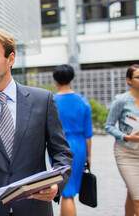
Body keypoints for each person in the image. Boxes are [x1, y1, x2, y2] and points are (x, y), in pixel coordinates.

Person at [0, 27, 73, 216]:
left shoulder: (42, 100)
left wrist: (56, 185)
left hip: (34, 208)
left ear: (10, 59)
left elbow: (62, 153)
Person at [52, 64, 93, 216]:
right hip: (80, 145)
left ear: (55, 79)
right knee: (67, 191)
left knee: (67, 193)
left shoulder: (52, 101)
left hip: (59, 147)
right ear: (72, 78)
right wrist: (88, 155)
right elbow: (88, 133)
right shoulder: (83, 101)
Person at [105, 64, 139, 216]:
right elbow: (109, 126)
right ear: (129, 80)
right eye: (138, 77)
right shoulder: (121, 101)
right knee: (138, 197)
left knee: (133, 194)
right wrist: (126, 136)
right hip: (126, 153)